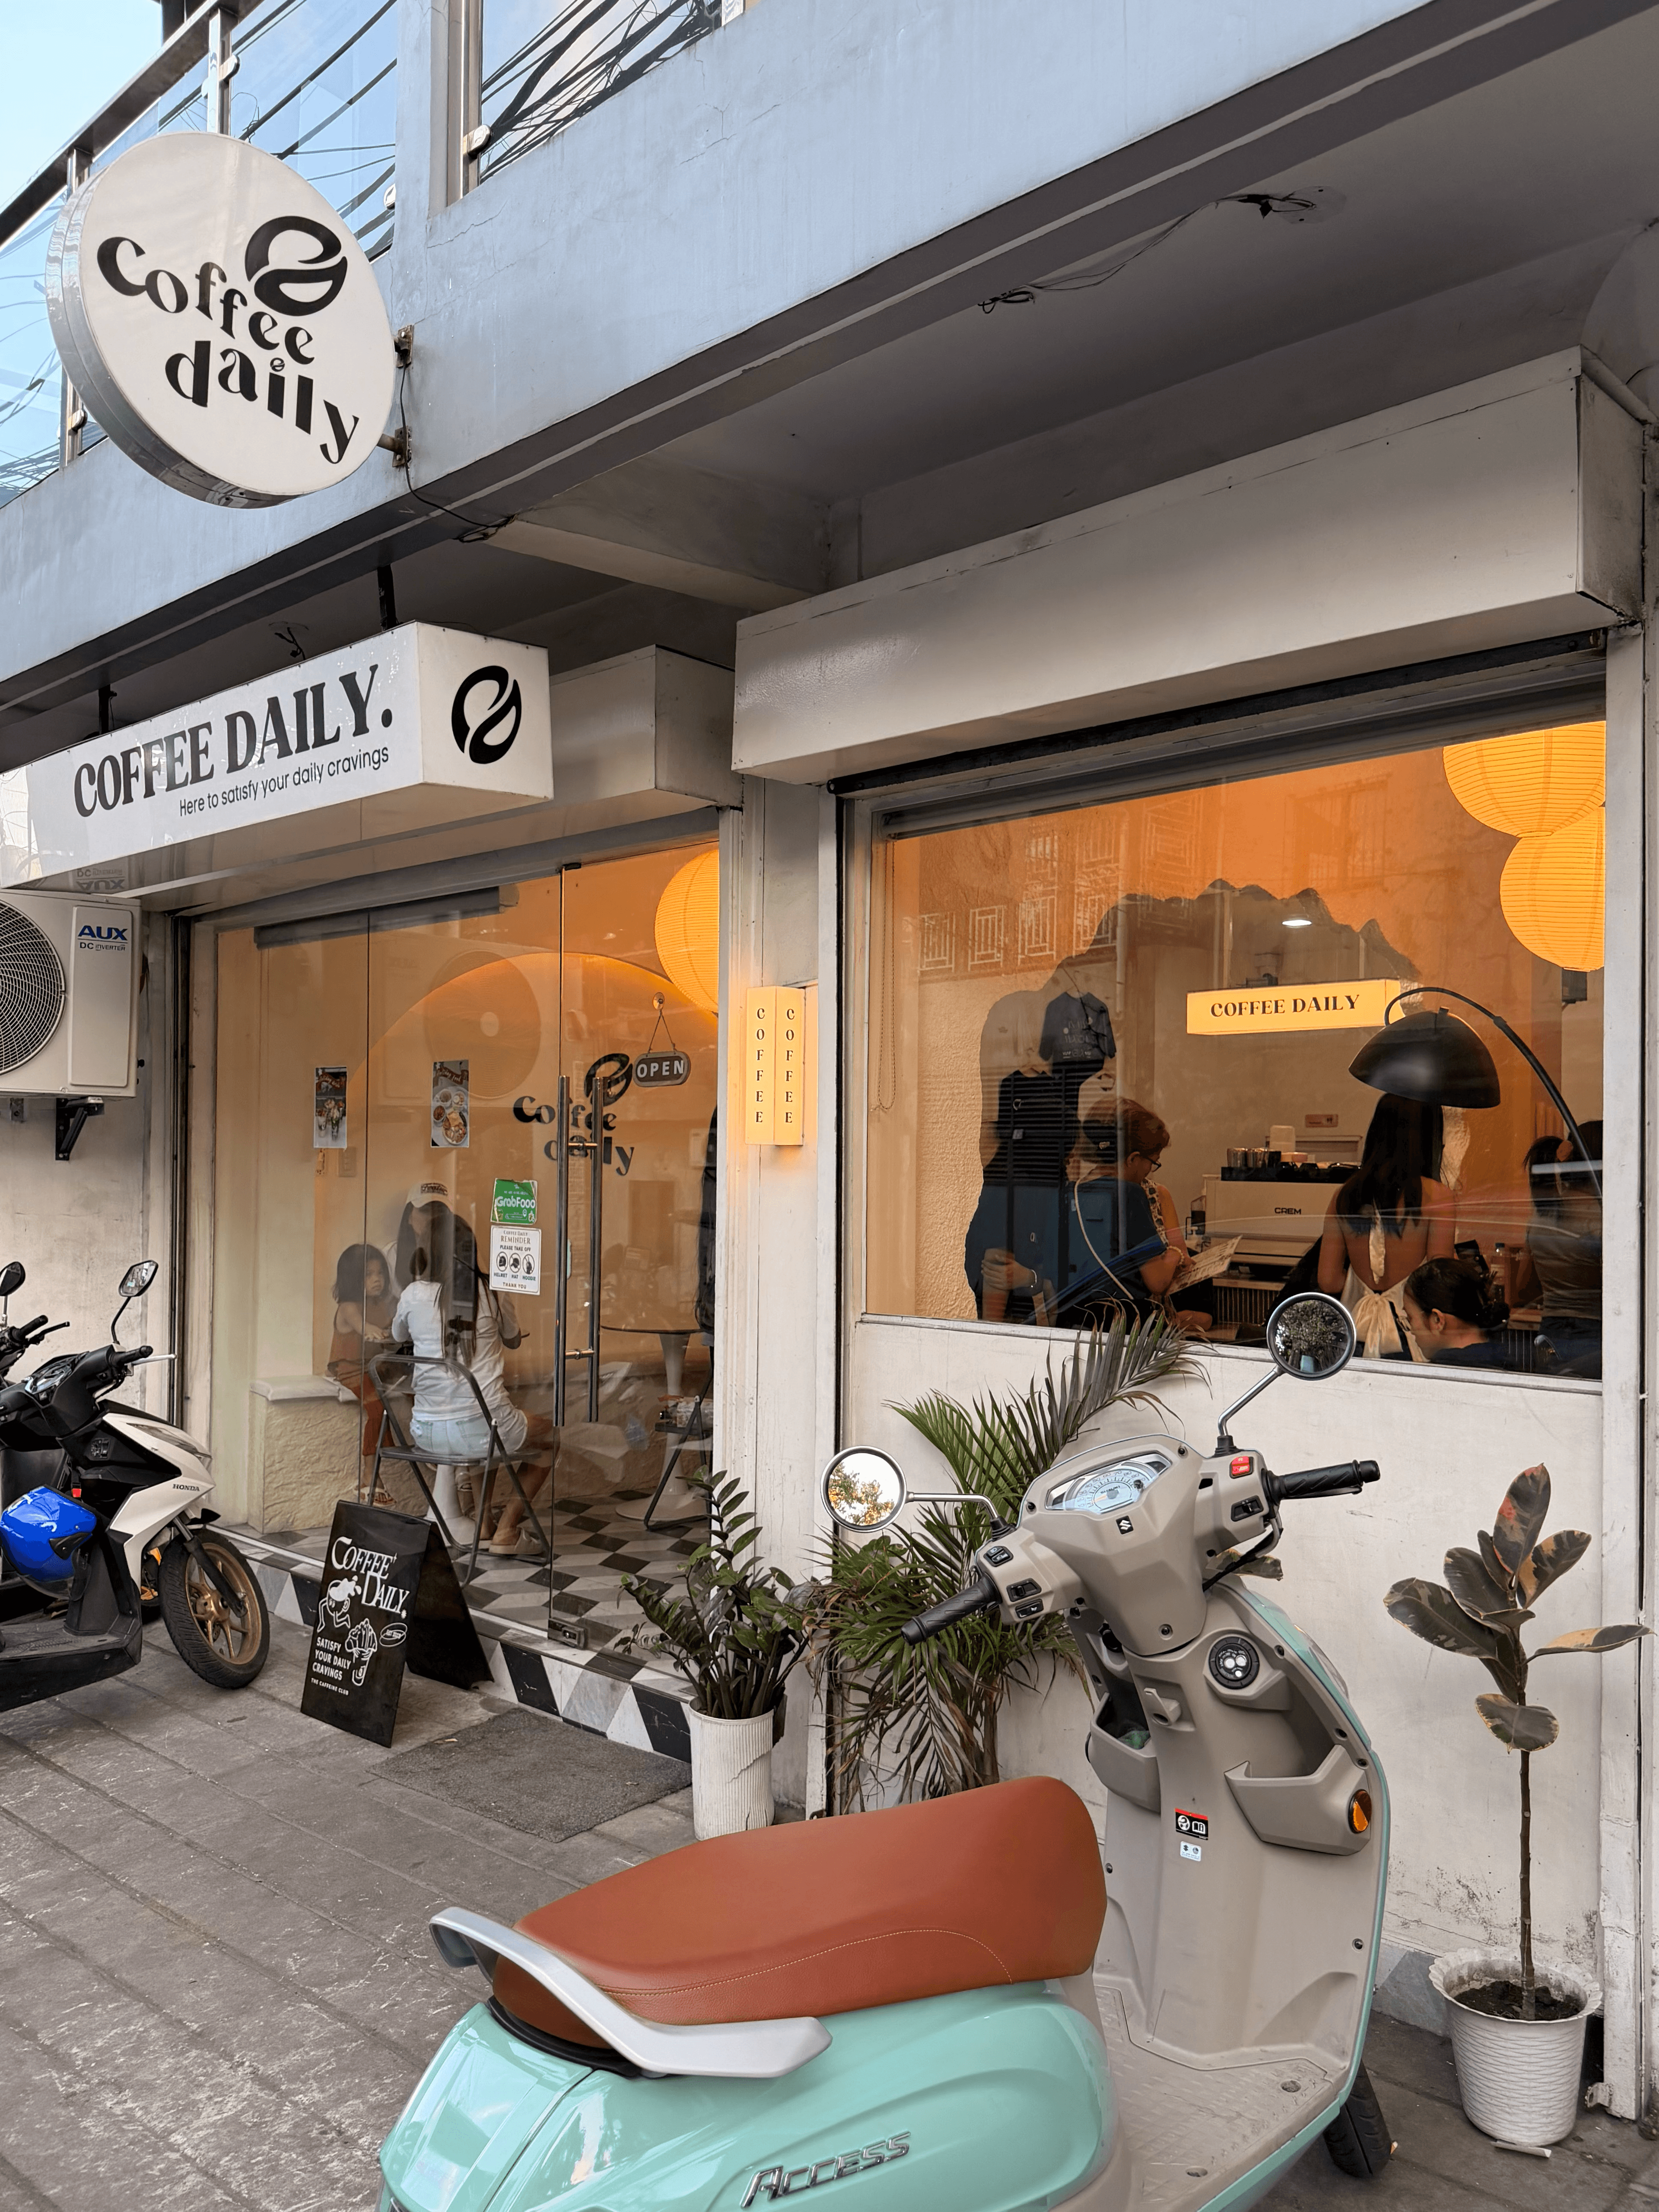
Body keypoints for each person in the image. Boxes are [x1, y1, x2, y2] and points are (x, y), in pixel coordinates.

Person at [391, 1184, 555, 1554]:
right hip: (481, 1427)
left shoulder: (414, 1294)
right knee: (549, 1439)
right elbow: (513, 1340)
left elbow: (397, 1333)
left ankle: (484, 1522)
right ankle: (508, 1528)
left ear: (428, 1252)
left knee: (491, 1430)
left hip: (427, 1431)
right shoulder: (492, 1292)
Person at [1317, 1095, 1454, 1358]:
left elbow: (1329, 1280)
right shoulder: (1438, 1197)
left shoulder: (1344, 1196)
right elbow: (1439, 1285)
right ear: (1429, 1136)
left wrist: (1364, 1288)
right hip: (1409, 1337)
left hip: (1354, 1334)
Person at [1510, 1121, 1602, 1378]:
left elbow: (1523, 1287)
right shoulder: (1604, 1219)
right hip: (1595, 1334)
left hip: (1550, 1331)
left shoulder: (1539, 1216)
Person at [328, 1244, 398, 1501]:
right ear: (353, 1280)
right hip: (352, 1371)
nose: (377, 1280)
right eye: (369, 1275)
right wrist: (376, 1331)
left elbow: (393, 1325)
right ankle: (370, 1477)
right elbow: (363, 1326)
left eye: (380, 1273)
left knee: (416, 1385)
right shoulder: (349, 1307)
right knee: (377, 1410)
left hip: (376, 1366)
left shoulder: (381, 1303)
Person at [1402, 1255, 1516, 1369]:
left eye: (1410, 1318)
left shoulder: (1439, 1376)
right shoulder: (1504, 1362)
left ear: (1437, 1320)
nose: (1411, 1330)